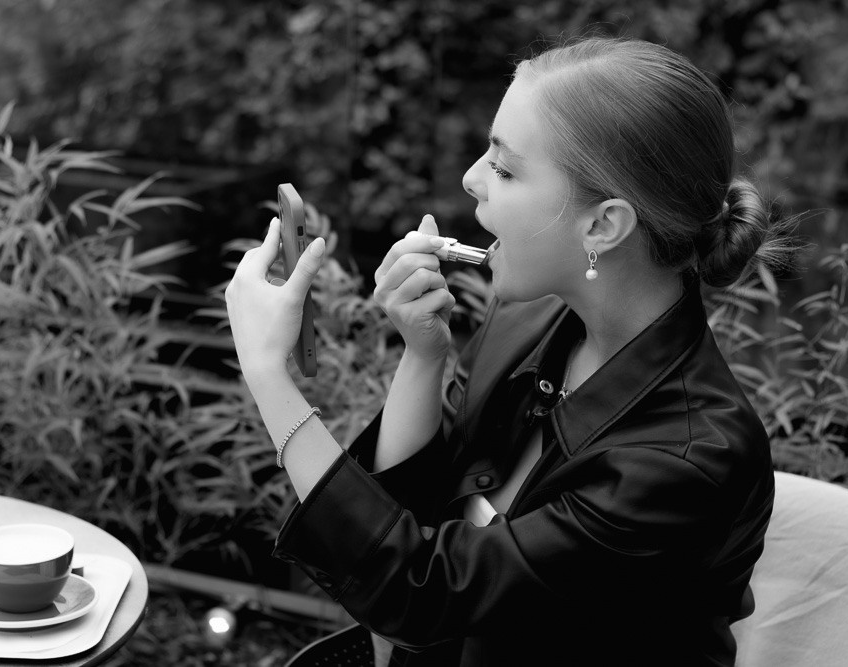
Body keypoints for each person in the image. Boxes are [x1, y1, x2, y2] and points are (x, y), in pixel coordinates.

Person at [225, 36, 792, 666]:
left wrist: (270, 379)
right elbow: (413, 527)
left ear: (603, 225)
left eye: (503, 168)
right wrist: (423, 356)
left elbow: (424, 595)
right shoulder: (532, 318)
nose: (470, 180)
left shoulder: (688, 460)